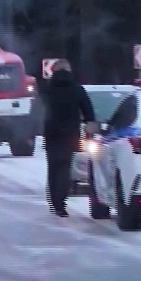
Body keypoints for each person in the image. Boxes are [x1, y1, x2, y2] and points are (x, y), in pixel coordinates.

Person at [41, 59, 95, 217]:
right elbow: (88, 112)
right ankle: (61, 204)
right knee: (65, 168)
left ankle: (54, 202)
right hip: (70, 134)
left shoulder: (46, 89)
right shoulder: (77, 89)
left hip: (51, 134)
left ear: (54, 71)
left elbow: (37, 110)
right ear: (69, 71)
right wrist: (89, 127)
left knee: (53, 168)